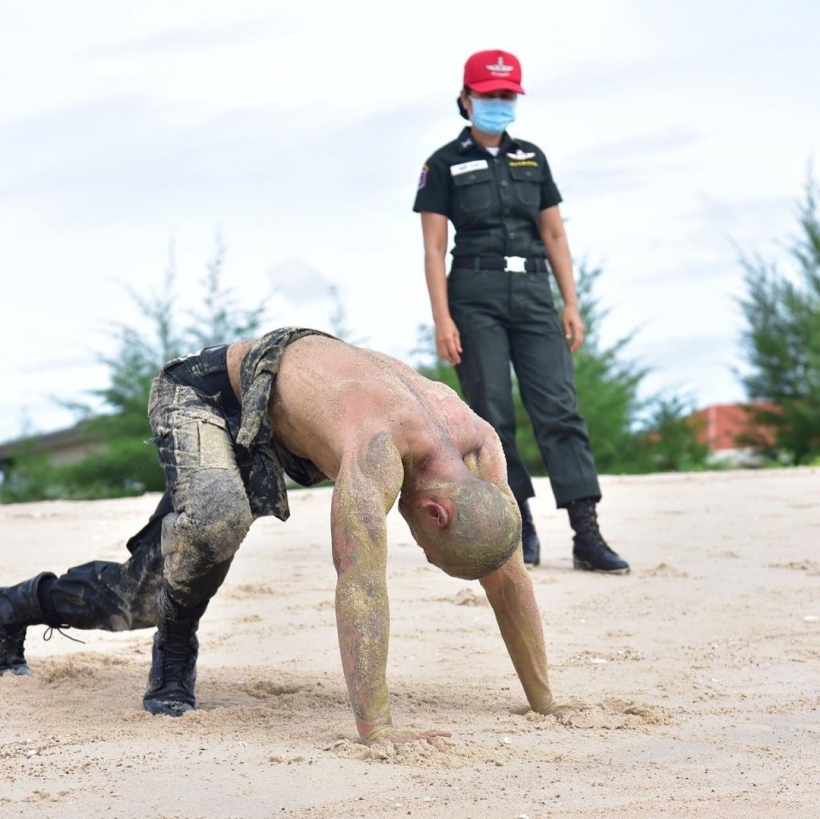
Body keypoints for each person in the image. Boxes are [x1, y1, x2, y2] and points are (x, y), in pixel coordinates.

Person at [0, 328, 563, 745]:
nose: (417, 543)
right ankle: (55, 616)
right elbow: (361, 583)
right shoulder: (376, 448)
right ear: (437, 513)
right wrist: (378, 729)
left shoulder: (480, 447)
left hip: (275, 424)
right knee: (203, 536)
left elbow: (507, 575)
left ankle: (29, 609)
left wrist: (545, 702)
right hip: (206, 395)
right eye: (426, 547)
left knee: (159, 575)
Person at [412, 49, 630, 574]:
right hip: (474, 291)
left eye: (506, 95)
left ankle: (586, 533)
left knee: (559, 407)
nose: (498, 103)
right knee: (492, 412)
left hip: (534, 292)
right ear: (466, 99)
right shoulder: (441, 164)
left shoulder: (532, 158)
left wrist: (570, 301)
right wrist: (443, 317)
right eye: (489, 95)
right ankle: (520, 527)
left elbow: (554, 232)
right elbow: (434, 248)